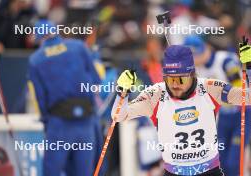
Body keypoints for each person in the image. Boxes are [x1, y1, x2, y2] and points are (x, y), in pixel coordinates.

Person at [111, 41, 251, 175]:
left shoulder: (209, 88)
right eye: (171, 80)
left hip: (209, 170)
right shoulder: (155, 94)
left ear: (192, 75)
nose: (175, 85)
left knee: (232, 164)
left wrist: (249, 67)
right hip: (173, 171)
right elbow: (119, 116)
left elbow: (248, 97)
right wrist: (122, 93)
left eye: (181, 80)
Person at [28, 19, 101, 176]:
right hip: (86, 121)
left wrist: (47, 121)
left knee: (51, 172)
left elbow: (41, 99)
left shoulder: (36, 60)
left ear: (40, 39)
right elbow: (96, 80)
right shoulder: (78, 47)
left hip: (59, 124)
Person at [183, 35, 251, 176]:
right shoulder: (196, 71)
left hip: (241, 114)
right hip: (223, 118)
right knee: (220, 162)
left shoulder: (225, 60)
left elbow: (240, 89)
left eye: (194, 56)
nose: (193, 61)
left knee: (233, 163)